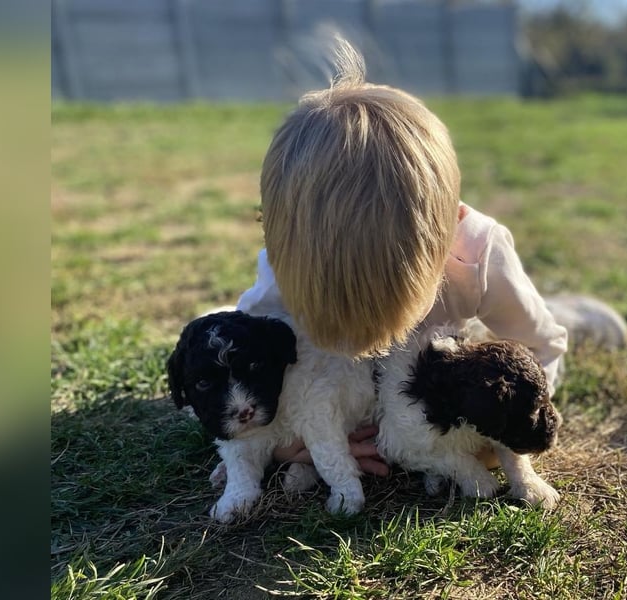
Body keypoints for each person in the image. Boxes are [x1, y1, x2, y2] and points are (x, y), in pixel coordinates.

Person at [237, 39, 568, 476]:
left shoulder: (478, 253)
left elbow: (541, 347)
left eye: (384, 317)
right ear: (277, 243)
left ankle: (576, 309)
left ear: (449, 234)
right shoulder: (287, 266)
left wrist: (494, 431)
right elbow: (246, 362)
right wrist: (287, 445)